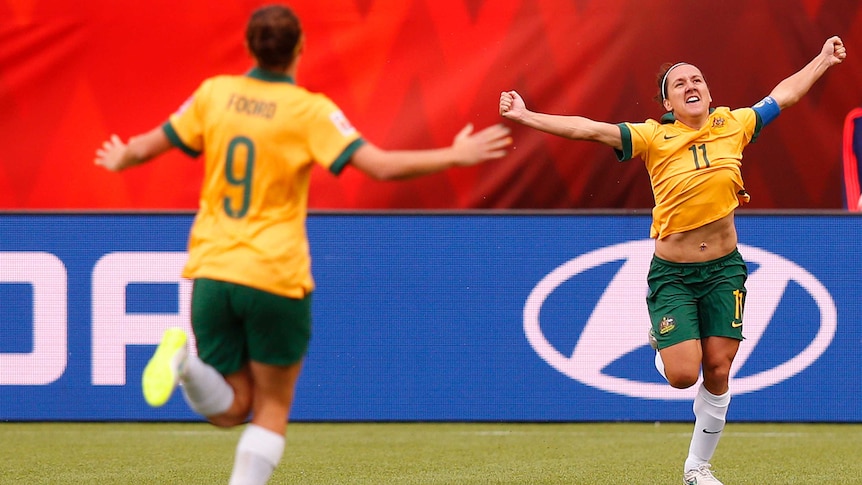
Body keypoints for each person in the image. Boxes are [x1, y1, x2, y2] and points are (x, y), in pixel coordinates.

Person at [94, 5, 511, 484]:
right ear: (300, 48)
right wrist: (455, 155)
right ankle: (186, 366)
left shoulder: (216, 95)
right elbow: (380, 167)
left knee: (231, 409)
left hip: (210, 271)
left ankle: (184, 362)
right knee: (271, 407)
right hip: (274, 274)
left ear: (249, 45)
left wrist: (121, 158)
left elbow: (145, 147)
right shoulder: (310, 110)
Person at [500, 37, 845, 484]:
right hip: (674, 275)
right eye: (678, 83)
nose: (690, 85)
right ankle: (660, 342)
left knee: (718, 369)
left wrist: (820, 60)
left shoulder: (734, 123)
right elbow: (587, 129)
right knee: (684, 376)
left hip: (724, 270)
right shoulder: (651, 136)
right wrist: (526, 116)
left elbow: (785, 94)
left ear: (709, 92)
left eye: (696, 79)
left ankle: (697, 468)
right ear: (667, 102)